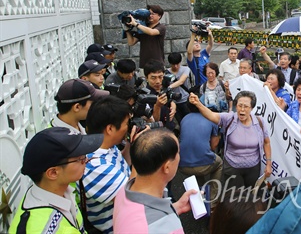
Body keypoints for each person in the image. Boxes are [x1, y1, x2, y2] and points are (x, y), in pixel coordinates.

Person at [8, 127, 103, 234]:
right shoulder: (50, 229)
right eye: (80, 159)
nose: (86, 160)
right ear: (53, 173)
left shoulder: (56, 191)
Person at [113, 129, 197, 233]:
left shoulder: (123, 192)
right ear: (166, 167)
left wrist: (176, 207)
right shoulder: (169, 228)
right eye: (178, 153)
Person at [188, 91, 272, 189]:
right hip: (232, 168)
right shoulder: (229, 118)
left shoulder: (259, 122)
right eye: (240, 106)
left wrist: (268, 164)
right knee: (234, 199)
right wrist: (198, 103)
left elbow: (267, 142)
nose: (242, 110)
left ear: (252, 108)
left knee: (251, 197)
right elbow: (211, 115)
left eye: (246, 106)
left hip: (253, 168)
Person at [81, 96, 134, 233]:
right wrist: (143, 151)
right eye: (126, 123)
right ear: (110, 129)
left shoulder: (106, 146)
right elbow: (134, 199)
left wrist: (130, 144)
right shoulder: (96, 166)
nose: (128, 127)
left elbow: (122, 166)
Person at [177, 101, 222, 206]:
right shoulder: (211, 118)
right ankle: (212, 200)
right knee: (219, 164)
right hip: (203, 164)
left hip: (182, 165)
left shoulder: (185, 118)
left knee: (197, 170)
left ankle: (199, 197)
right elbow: (214, 145)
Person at [125, 4, 166, 69]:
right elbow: (131, 42)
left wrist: (135, 24)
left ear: (159, 16)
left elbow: (151, 32)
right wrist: (126, 30)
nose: (150, 16)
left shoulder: (161, 27)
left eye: (153, 14)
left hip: (158, 63)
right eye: (149, 13)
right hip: (144, 64)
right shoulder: (142, 27)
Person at [144, 60, 177, 129]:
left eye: (160, 77)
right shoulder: (144, 96)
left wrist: (173, 105)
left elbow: (171, 99)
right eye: (153, 78)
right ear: (146, 78)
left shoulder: (164, 87)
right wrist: (157, 106)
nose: (158, 81)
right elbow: (154, 122)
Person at [167, 52, 191, 122]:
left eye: (177, 64)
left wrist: (169, 87)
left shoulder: (186, 69)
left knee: (188, 120)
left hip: (185, 100)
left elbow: (181, 81)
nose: (176, 66)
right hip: (174, 102)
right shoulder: (166, 72)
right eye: (173, 64)